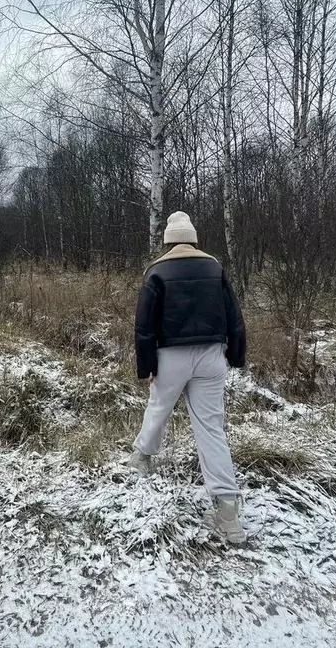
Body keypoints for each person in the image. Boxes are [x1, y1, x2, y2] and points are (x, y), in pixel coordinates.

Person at [129, 211, 248, 544]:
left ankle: (142, 459)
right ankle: (227, 512)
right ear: (194, 238)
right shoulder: (214, 267)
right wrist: (236, 356)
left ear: (167, 241)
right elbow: (233, 315)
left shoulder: (156, 271)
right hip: (211, 355)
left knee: (159, 407)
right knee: (211, 427)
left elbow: (144, 325)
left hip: (171, 356)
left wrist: (147, 366)